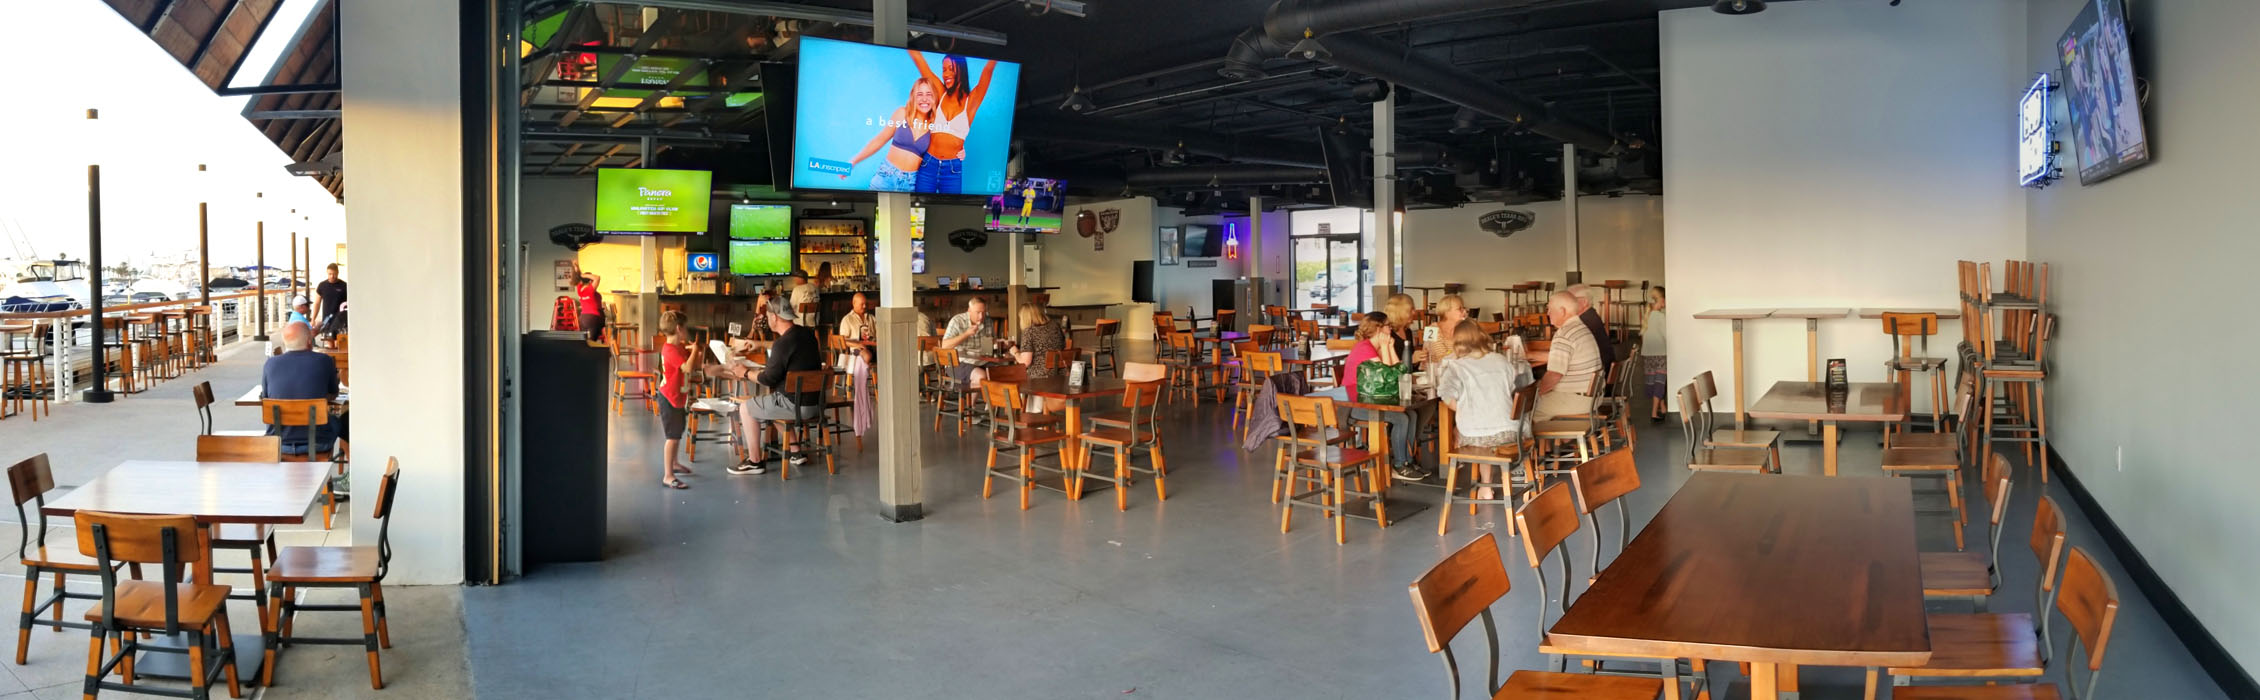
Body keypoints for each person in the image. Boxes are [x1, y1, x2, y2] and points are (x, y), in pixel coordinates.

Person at [726, 299, 826, 474]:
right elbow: (788, 347)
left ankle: (754, 461)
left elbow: (768, 379)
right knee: (772, 403)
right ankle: (795, 453)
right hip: (816, 405)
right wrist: (761, 344)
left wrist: (745, 372)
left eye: (768, 316)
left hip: (795, 407)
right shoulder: (808, 335)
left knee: (746, 408)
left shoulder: (782, 344)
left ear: (774, 317)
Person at [1437, 322, 1530, 501]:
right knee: (1486, 427)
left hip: (1475, 437)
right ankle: (1516, 477)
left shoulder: (1456, 367)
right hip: (1511, 434)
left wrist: (1464, 409)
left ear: (1456, 342)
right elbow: (1511, 389)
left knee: (1472, 432)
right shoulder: (1501, 360)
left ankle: (1486, 487)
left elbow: (1446, 396)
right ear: (1481, 336)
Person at [1339, 312, 1426, 480]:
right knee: (1402, 419)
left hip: (1374, 400)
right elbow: (1388, 378)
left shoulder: (1377, 347)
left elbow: (1400, 373)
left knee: (1412, 414)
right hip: (1356, 406)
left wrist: (1390, 347)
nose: (1390, 329)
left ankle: (1408, 461)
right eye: (1388, 326)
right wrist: (1387, 348)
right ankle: (1399, 465)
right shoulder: (1365, 348)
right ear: (1378, 328)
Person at [907, 52, 1000, 194]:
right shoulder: (940, 92)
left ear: (961, 69)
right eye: (944, 70)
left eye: (951, 68)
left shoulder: (971, 101)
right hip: (928, 165)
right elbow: (920, 61)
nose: (946, 74)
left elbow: (988, 70)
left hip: (952, 171)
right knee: (918, 212)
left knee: (950, 212)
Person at [262, 322, 347, 456]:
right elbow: (334, 393)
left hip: (278, 444)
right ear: (309, 342)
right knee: (341, 421)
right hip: (318, 443)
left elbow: (266, 398)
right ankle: (350, 466)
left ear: (285, 343)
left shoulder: (270, 363)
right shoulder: (324, 361)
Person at [841, 77, 939, 192]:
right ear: (913, 96)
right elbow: (879, 140)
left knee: (904, 211)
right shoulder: (902, 113)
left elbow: (942, 151)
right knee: (873, 209)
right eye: (920, 94)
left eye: (929, 94)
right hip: (885, 177)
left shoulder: (935, 125)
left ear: (934, 97)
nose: (924, 99)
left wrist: (960, 150)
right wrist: (854, 161)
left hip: (911, 182)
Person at [1535, 291, 1605, 421]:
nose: (1548, 313)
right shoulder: (1581, 328)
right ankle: (1562, 437)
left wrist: (1535, 393)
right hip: (1593, 397)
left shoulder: (1564, 334)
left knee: (1523, 410)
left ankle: (1545, 438)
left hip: (1576, 400)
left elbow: (1554, 375)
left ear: (1562, 311)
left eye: (1549, 309)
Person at [655, 310, 695, 489]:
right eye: (685, 328)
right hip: (668, 398)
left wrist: (692, 351)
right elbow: (687, 367)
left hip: (678, 397)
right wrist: (695, 350)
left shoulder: (678, 347)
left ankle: (675, 463)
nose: (687, 331)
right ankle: (668, 475)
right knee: (671, 437)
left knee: (678, 432)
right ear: (679, 329)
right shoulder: (670, 350)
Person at [938, 296, 996, 387]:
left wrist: (1001, 344)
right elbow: (944, 345)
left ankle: (989, 401)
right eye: (978, 313)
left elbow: (988, 347)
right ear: (969, 310)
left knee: (1004, 374)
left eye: (984, 312)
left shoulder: (988, 321)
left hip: (982, 361)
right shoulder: (957, 321)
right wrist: (966, 334)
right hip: (958, 363)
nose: (981, 316)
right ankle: (970, 402)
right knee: (981, 376)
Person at [1562, 283, 1617, 364]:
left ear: (1584, 302)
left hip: (1596, 371)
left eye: (1570, 299)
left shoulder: (1583, 322)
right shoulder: (1590, 315)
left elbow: (1565, 355)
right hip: (1600, 368)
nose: (1564, 304)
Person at [1014, 302, 1065, 378]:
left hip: (1039, 378)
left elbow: (1025, 362)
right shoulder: (1055, 326)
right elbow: (1063, 345)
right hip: (1061, 375)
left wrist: (1015, 352)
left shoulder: (1029, 331)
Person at [1419, 294, 1469, 369]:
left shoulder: (1463, 329)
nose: (1465, 311)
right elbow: (1442, 359)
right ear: (1447, 312)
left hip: (1454, 372)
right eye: (1460, 309)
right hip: (1431, 374)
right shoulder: (1431, 329)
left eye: (1464, 308)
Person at [1643, 286, 1668, 421]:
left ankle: (1662, 407)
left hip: (1648, 354)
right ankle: (1654, 412)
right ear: (1663, 300)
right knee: (1660, 382)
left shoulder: (1648, 314)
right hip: (1660, 353)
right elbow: (1666, 334)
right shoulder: (1661, 316)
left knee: (1653, 381)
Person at [314, 263, 347, 341]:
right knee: (329, 342)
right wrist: (313, 319)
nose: (332, 276)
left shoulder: (344, 285)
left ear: (338, 273)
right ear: (327, 273)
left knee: (340, 343)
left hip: (340, 319)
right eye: (330, 274)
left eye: (334, 274)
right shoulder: (322, 286)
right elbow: (317, 303)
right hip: (327, 319)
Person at [574, 263, 604, 341]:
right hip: (593, 318)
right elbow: (597, 278)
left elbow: (577, 277)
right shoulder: (590, 290)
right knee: (592, 342)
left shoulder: (579, 289)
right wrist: (583, 275)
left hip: (583, 318)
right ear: (591, 281)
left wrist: (577, 268)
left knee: (584, 342)